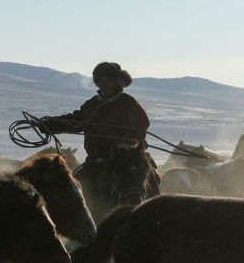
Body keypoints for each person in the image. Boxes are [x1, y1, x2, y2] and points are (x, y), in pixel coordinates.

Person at [39, 62, 158, 208]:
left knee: (145, 181)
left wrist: (119, 140)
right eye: (100, 81)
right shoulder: (92, 105)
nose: (103, 85)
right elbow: (75, 121)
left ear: (117, 81)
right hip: (96, 160)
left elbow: (142, 125)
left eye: (107, 80)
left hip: (125, 159)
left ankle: (154, 211)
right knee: (75, 187)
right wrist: (50, 124)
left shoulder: (128, 103)